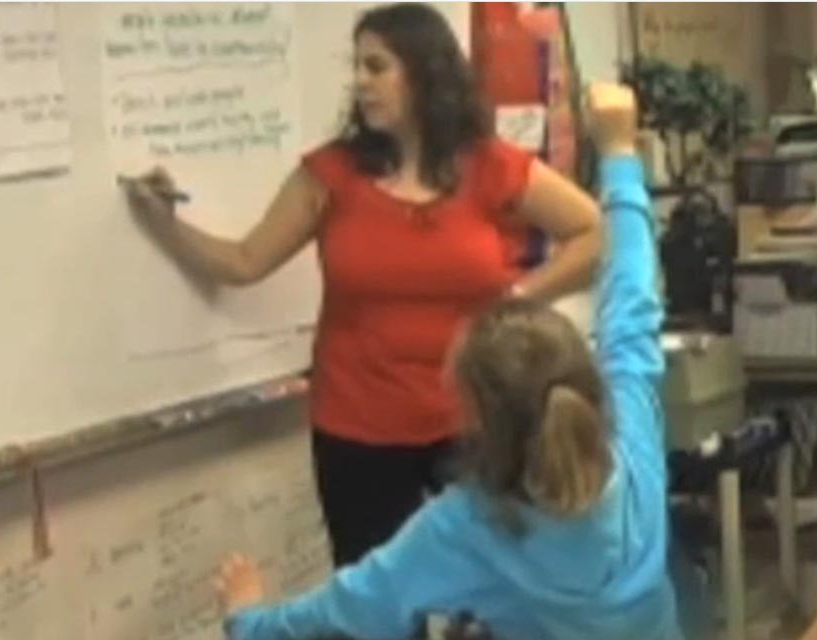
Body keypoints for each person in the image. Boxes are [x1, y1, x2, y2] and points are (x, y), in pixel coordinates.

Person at [124, 2, 601, 567]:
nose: (361, 83)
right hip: (359, 429)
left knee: (492, 590)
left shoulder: (490, 167)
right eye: (358, 67)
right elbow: (245, 262)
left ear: (425, 72)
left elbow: (592, 231)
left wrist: (518, 299)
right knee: (377, 610)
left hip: (476, 422)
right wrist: (165, 222)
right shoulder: (331, 176)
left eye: (377, 67)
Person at [213, 82, 680, 640]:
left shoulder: (467, 525)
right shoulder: (631, 444)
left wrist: (249, 619)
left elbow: (346, 612)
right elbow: (631, 294)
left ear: (477, 421)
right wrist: (620, 152)